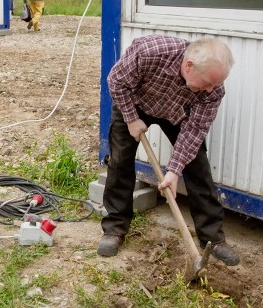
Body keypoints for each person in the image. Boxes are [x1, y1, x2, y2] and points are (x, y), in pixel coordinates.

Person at [97, 35, 240, 266]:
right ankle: (114, 228)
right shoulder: (150, 52)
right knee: (120, 160)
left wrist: (173, 172)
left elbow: (194, 131)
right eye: (206, 83)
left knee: (197, 166)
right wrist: (132, 119)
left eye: (215, 84)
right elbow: (116, 81)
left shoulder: (212, 91)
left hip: (176, 111)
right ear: (189, 66)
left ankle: (213, 238)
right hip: (134, 102)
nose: (210, 89)